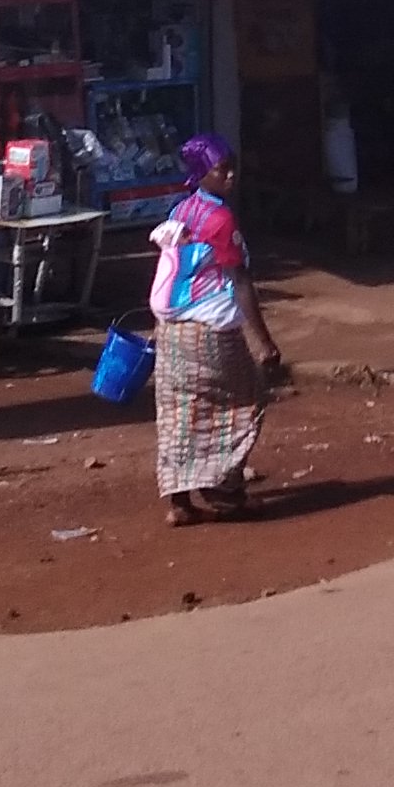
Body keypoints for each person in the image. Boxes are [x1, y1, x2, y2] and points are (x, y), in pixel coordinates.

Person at [147, 134, 281, 526]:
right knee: (243, 403)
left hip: (173, 331)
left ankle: (179, 502)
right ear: (202, 173)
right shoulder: (221, 220)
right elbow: (240, 282)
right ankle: (224, 491)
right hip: (211, 333)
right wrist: (265, 343)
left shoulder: (182, 210)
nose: (231, 175)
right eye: (223, 169)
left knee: (177, 413)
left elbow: (171, 273)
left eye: (232, 167)